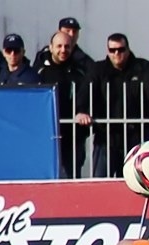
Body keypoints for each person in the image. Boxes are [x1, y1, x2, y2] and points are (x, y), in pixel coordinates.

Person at [75, 33, 149, 177]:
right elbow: (85, 92)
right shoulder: (98, 70)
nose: (117, 54)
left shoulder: (143, 68)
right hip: (107, 137)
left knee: (136, 181)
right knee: (100, 183)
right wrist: (82, 111)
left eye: (121, 50)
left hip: (137, 137)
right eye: (112, 50)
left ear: (128, 49)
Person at [37, 31, 89, 178]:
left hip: (73, 136)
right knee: (47, 178)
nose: (63, 50)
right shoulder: (40, 72)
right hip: (46, 135)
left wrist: (82, 111)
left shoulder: (79, 72)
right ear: (51, 47)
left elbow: (84, 97)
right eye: (59, 46)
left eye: (67, 46)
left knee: (73, 178)